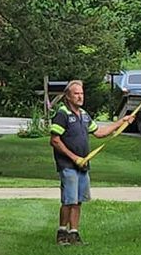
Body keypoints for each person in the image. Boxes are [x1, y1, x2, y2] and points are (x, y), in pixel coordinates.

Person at [49, 79, 136, 245]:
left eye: (82, 93)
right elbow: (55, 140)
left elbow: (100, 133)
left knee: (79, 200)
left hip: (83, 166)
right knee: (69, 200)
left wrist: (122, 121)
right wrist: (74, 158)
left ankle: (74, 233)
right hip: (68, 165)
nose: (80, 97)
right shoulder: (62, 114)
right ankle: (62, 232)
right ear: (68, 96)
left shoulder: (84, 115)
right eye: (76, 94)